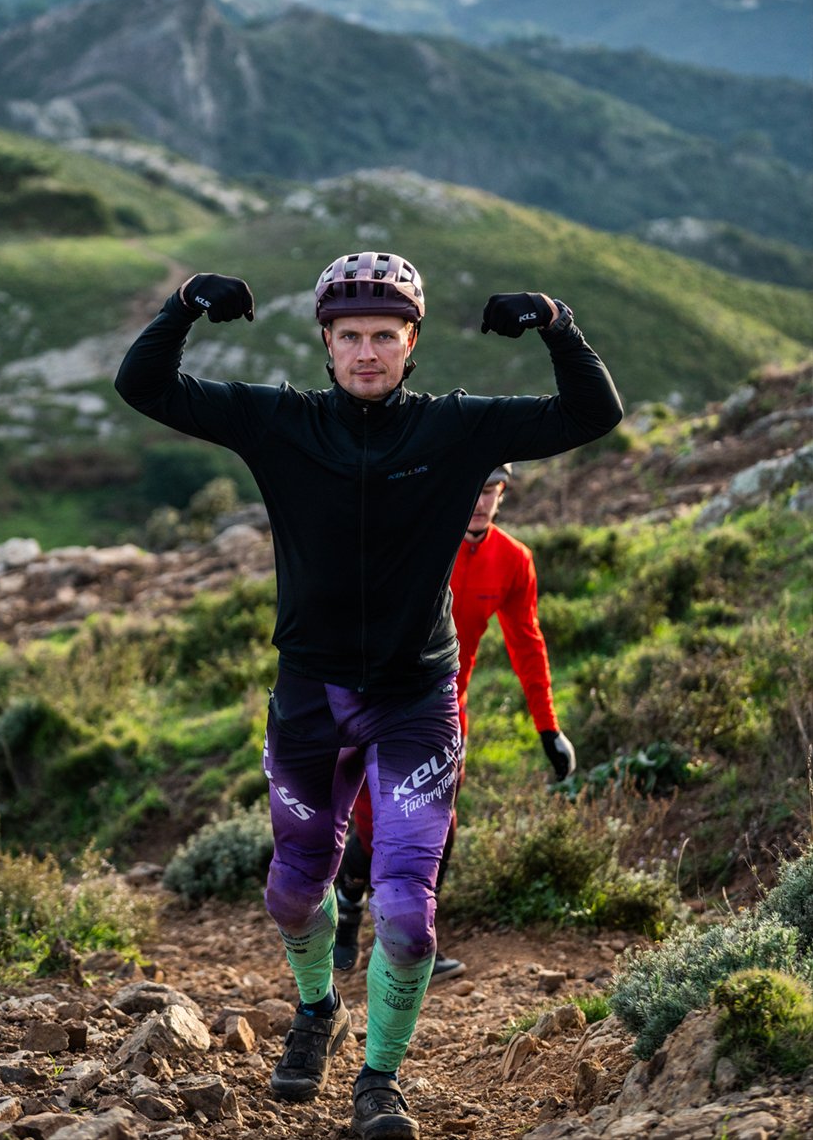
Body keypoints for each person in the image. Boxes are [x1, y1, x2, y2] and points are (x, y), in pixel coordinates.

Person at [115, 253, 620, 1139]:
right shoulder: (280, 422)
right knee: (292, 891)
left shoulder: (454, 429)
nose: (367, 352)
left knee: (408, 914)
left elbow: (593, 412)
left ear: (411, 342)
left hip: (416, 701)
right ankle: (318, 1010)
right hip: (310, 696)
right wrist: (185, 305)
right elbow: (145, 386)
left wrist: (554, 319)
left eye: (385, 335)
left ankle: (379, 1080)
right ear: (327, 344)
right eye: (350, 336)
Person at [333, 464, 577, 979]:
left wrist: (547, 727)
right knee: (375, 826)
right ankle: (349, 905)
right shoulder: (416, 541)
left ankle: (409, 941)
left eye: (493, 491)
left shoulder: (513, 561)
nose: (483, 501)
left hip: (445, 710)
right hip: (373, 702)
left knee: (438, 828)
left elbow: (527, 644)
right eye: (473, 488)